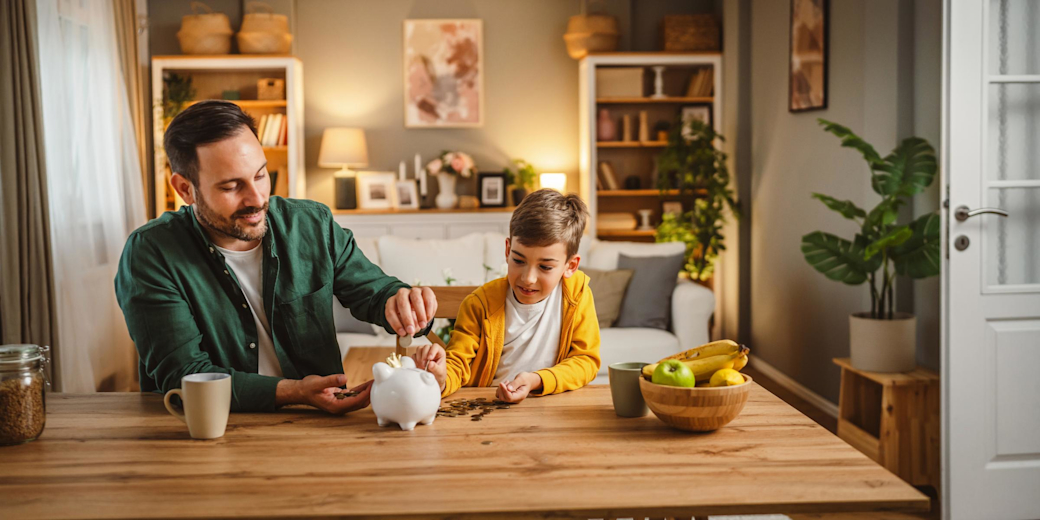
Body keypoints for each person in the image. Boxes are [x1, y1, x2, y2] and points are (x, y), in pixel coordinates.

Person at [115, 101, 435, 413]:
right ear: (185, 189)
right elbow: (185, 376)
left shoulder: (311, 225)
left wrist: (402, 302)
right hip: (208, 432)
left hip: (316, 426)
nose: (256, 199)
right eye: (231, 186)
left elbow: (376, 293)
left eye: (260, 175)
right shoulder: (150, 254)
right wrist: (293, 392)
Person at [413, 189, 601, 403]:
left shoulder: (578, 295)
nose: (528, 278)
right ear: (507, 250)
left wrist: (537, 380)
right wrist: (441, 376)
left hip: (552, 405)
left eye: (545, 267)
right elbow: (458, 365)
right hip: (488, 407)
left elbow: (585, 360)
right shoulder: (479, 304)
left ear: (571, 266)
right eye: (519, 261)